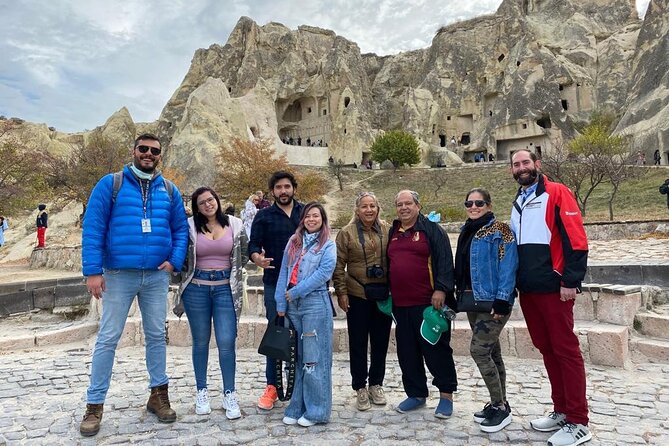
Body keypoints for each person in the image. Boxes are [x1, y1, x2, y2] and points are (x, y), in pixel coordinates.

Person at [79, 133, 189, 437]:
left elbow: (180, 228)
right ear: (134, 151)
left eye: (155, 151)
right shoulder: (110, 184)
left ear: (159, 156)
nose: (149, 154)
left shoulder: (168, 189)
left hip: (155, 276)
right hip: (118, 274)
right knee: (108, 337)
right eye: (144, 149)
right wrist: (92, 271)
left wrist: (174, 260)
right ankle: (94, 404)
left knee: (156, 335)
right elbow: (93, 227)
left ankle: (158, 395)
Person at [510, 149, 591, 446]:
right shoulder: (518, 201)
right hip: (529, 290)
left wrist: (571, 280)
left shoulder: (557, 192)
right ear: (512, 170)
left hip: (555, 288)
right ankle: (561, 410)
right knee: (546, 349)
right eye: (516, 165)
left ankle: (579, 420)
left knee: (566, 351)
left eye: (526, 163)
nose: (522, 168)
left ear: (537, 165)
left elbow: (576, 238)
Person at [178, 186, 248, 419]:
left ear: (217, 200)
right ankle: (202, 391)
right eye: (202, 203)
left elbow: (245, 253)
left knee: (227, 341)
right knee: (200, 341)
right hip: (196, 288)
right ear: (196, 208)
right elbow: (180, 255)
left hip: (225, 289)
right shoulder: (189, 227)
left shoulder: (235, 224)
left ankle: (229, 393)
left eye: (211, 200)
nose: (208, 205)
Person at [387, 190, 458, 418]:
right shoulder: (394, 231)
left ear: (418, 205)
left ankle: (446, 396)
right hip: (400, 305)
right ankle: (416, 394)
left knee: (436, 350)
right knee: (407, 352)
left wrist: (441, 289)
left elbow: (446, 261)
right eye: (400, 204)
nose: (404, 208)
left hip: (428, 304)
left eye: (408, 203)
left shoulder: (432, 230)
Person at [454, 188, 518, 433]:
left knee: (479, 351)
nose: (473, 206)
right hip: (473, 301)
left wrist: (503, 299)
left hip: (493, 303)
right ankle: (498, 403)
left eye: (479, 202)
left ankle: (500, 408)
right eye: (468, 202)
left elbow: (508, 265)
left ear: (489, 205)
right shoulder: (467, 230)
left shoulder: (500, 231)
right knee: (493, 352)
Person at [275, 202, 336, 427]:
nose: (312, 219)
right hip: (293, 306)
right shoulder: (294, 241)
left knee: (314, 359)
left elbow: (323, 274)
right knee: (297, 359)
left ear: (322, 219)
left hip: (314, 304)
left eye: (316, 216)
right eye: (308, 216)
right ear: (302, 219)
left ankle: (317, 411)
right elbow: (284, 271)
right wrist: (281, 301)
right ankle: (297, 405)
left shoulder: (327, 245)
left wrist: (297, 291)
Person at [248, 171, 304, 410]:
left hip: (303, 284)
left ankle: (300, 386)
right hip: (273, 282)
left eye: (287, 186)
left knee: (302, 335)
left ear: (293, 188)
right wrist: (256, 258)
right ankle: (272, 385)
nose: (283, 191)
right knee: (276, 332)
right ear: (273, 191)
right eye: (279, 187)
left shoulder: (305, 213)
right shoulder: (264, 215)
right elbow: (252, 244)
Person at [333, 192, 392, 411]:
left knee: (381, 342)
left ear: (378, 208)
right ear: (357, 210)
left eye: (372, 206)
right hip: (357, 294)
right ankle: (359, 386)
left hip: (382, 295)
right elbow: (338, 265)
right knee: (357, 343)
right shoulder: (346, 234)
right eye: (364, 206)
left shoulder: (388, 230)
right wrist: (341, 292)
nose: (369, 210)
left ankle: (376, 383)